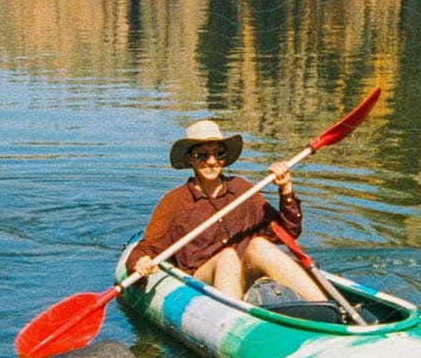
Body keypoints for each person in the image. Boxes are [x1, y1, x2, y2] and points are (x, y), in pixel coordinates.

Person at [128, 118, 327, 303]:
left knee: (259, 244)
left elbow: (288, 232)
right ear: (190, 158)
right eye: (202, 155)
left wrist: (285, 188)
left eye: (219, 153)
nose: (212, 161)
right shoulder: (174, 201)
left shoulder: (242, 190)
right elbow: (147, 248)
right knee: (227, 256)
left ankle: (327, 306)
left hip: (245, 275)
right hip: (203, 282)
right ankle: (238, 322)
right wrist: (140, 262)